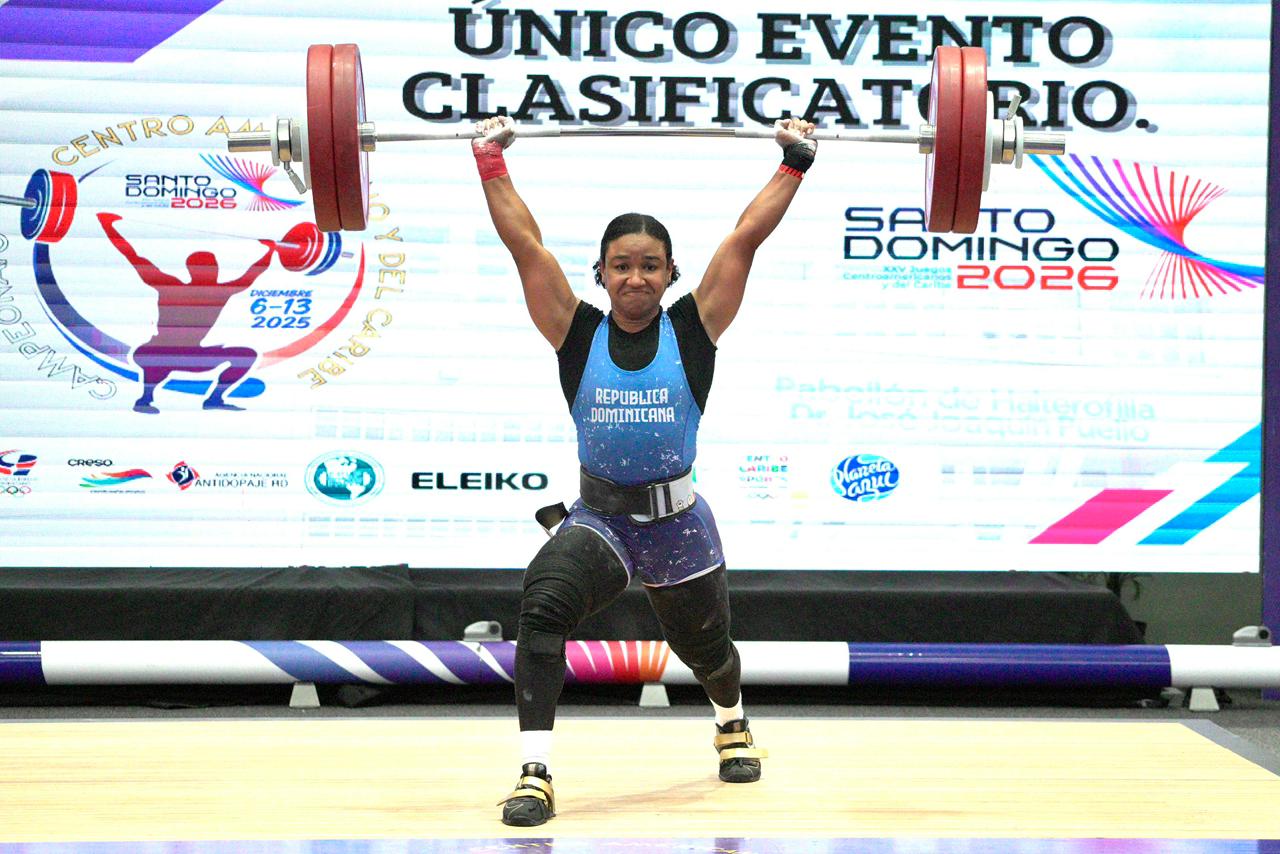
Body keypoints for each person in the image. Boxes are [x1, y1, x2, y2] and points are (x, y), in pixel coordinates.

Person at [471, 113, 817, 827]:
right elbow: (523, 244)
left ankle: (731, 721)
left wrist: (795, 163)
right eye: (621, 265)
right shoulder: (575, 329)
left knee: (709, 653)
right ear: (600, 273)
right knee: (541, 606)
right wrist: (490, 161)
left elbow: (744, 237)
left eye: (649, 265)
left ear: (670, 274)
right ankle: (535, 774)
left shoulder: (695, 327)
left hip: (678, 527)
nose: (634, 278)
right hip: (600, 521)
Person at [97, 212, 275, 413]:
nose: (212, 271)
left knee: (245, 355)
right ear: (192, 270)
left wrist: (271, 251)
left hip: (191, 355)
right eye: (206, 267)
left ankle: (214, 399)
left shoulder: (219, 292)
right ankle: (145, 399)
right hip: (159, 352)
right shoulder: (171, 286)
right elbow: (133, 256)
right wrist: (109, 227)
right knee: (159, 355)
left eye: (213, 266)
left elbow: (252, 274)